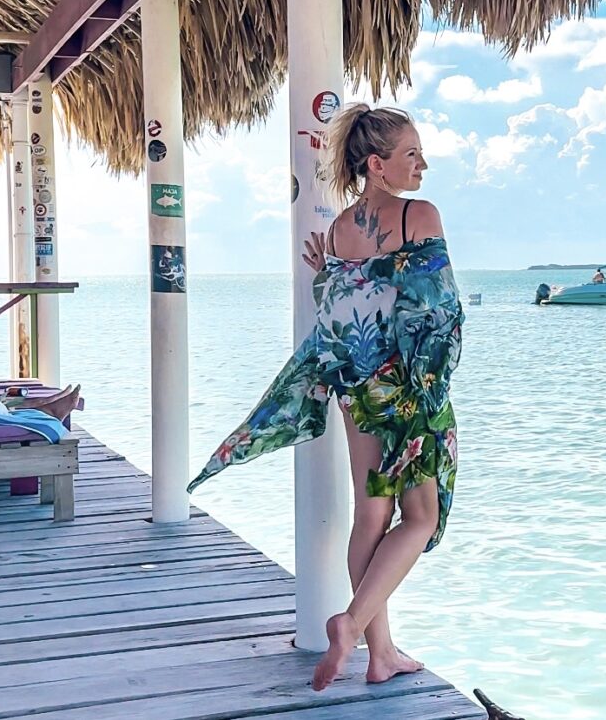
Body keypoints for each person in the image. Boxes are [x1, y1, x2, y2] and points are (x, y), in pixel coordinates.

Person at [188, 104, 464, 692]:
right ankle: (352, 624)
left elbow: (343, 306)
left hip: (354, 387)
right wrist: (433, 383)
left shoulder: (339, 229)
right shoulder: (420, 215)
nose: (423, 164)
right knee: (420, 517)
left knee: (371, 515)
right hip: (406, 389)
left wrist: (327, 272)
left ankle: (381, 654)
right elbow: (437, 312)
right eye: (412, 154)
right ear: (377, 164)